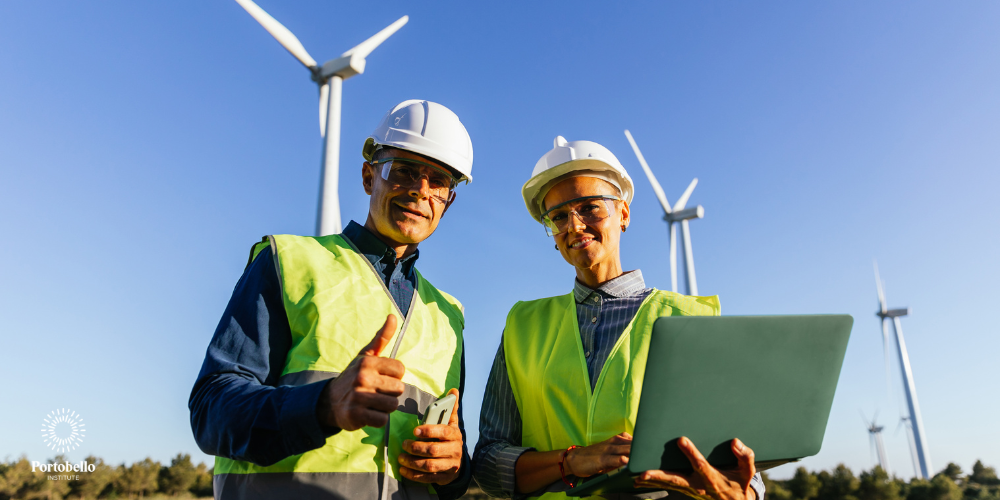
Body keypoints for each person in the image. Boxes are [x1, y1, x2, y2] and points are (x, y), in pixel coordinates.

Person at [189, 100, 476, 500]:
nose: (420, 191)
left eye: (439, 181)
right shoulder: (289, 262)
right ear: (368, 176)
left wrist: (453, 469)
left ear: (448, 201)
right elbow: (210, 409)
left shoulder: (449, 317)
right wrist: (321, 405)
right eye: (404, 171)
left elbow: (451, 466)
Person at [471, 136, 766, 500]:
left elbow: (739, 466)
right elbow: (487, 463)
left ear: (623, 213)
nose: (574, 226)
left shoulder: (690, 320)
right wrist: (571, 462)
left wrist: (746, 496)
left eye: (590, 208)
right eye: (558, 216)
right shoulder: (522, 326)